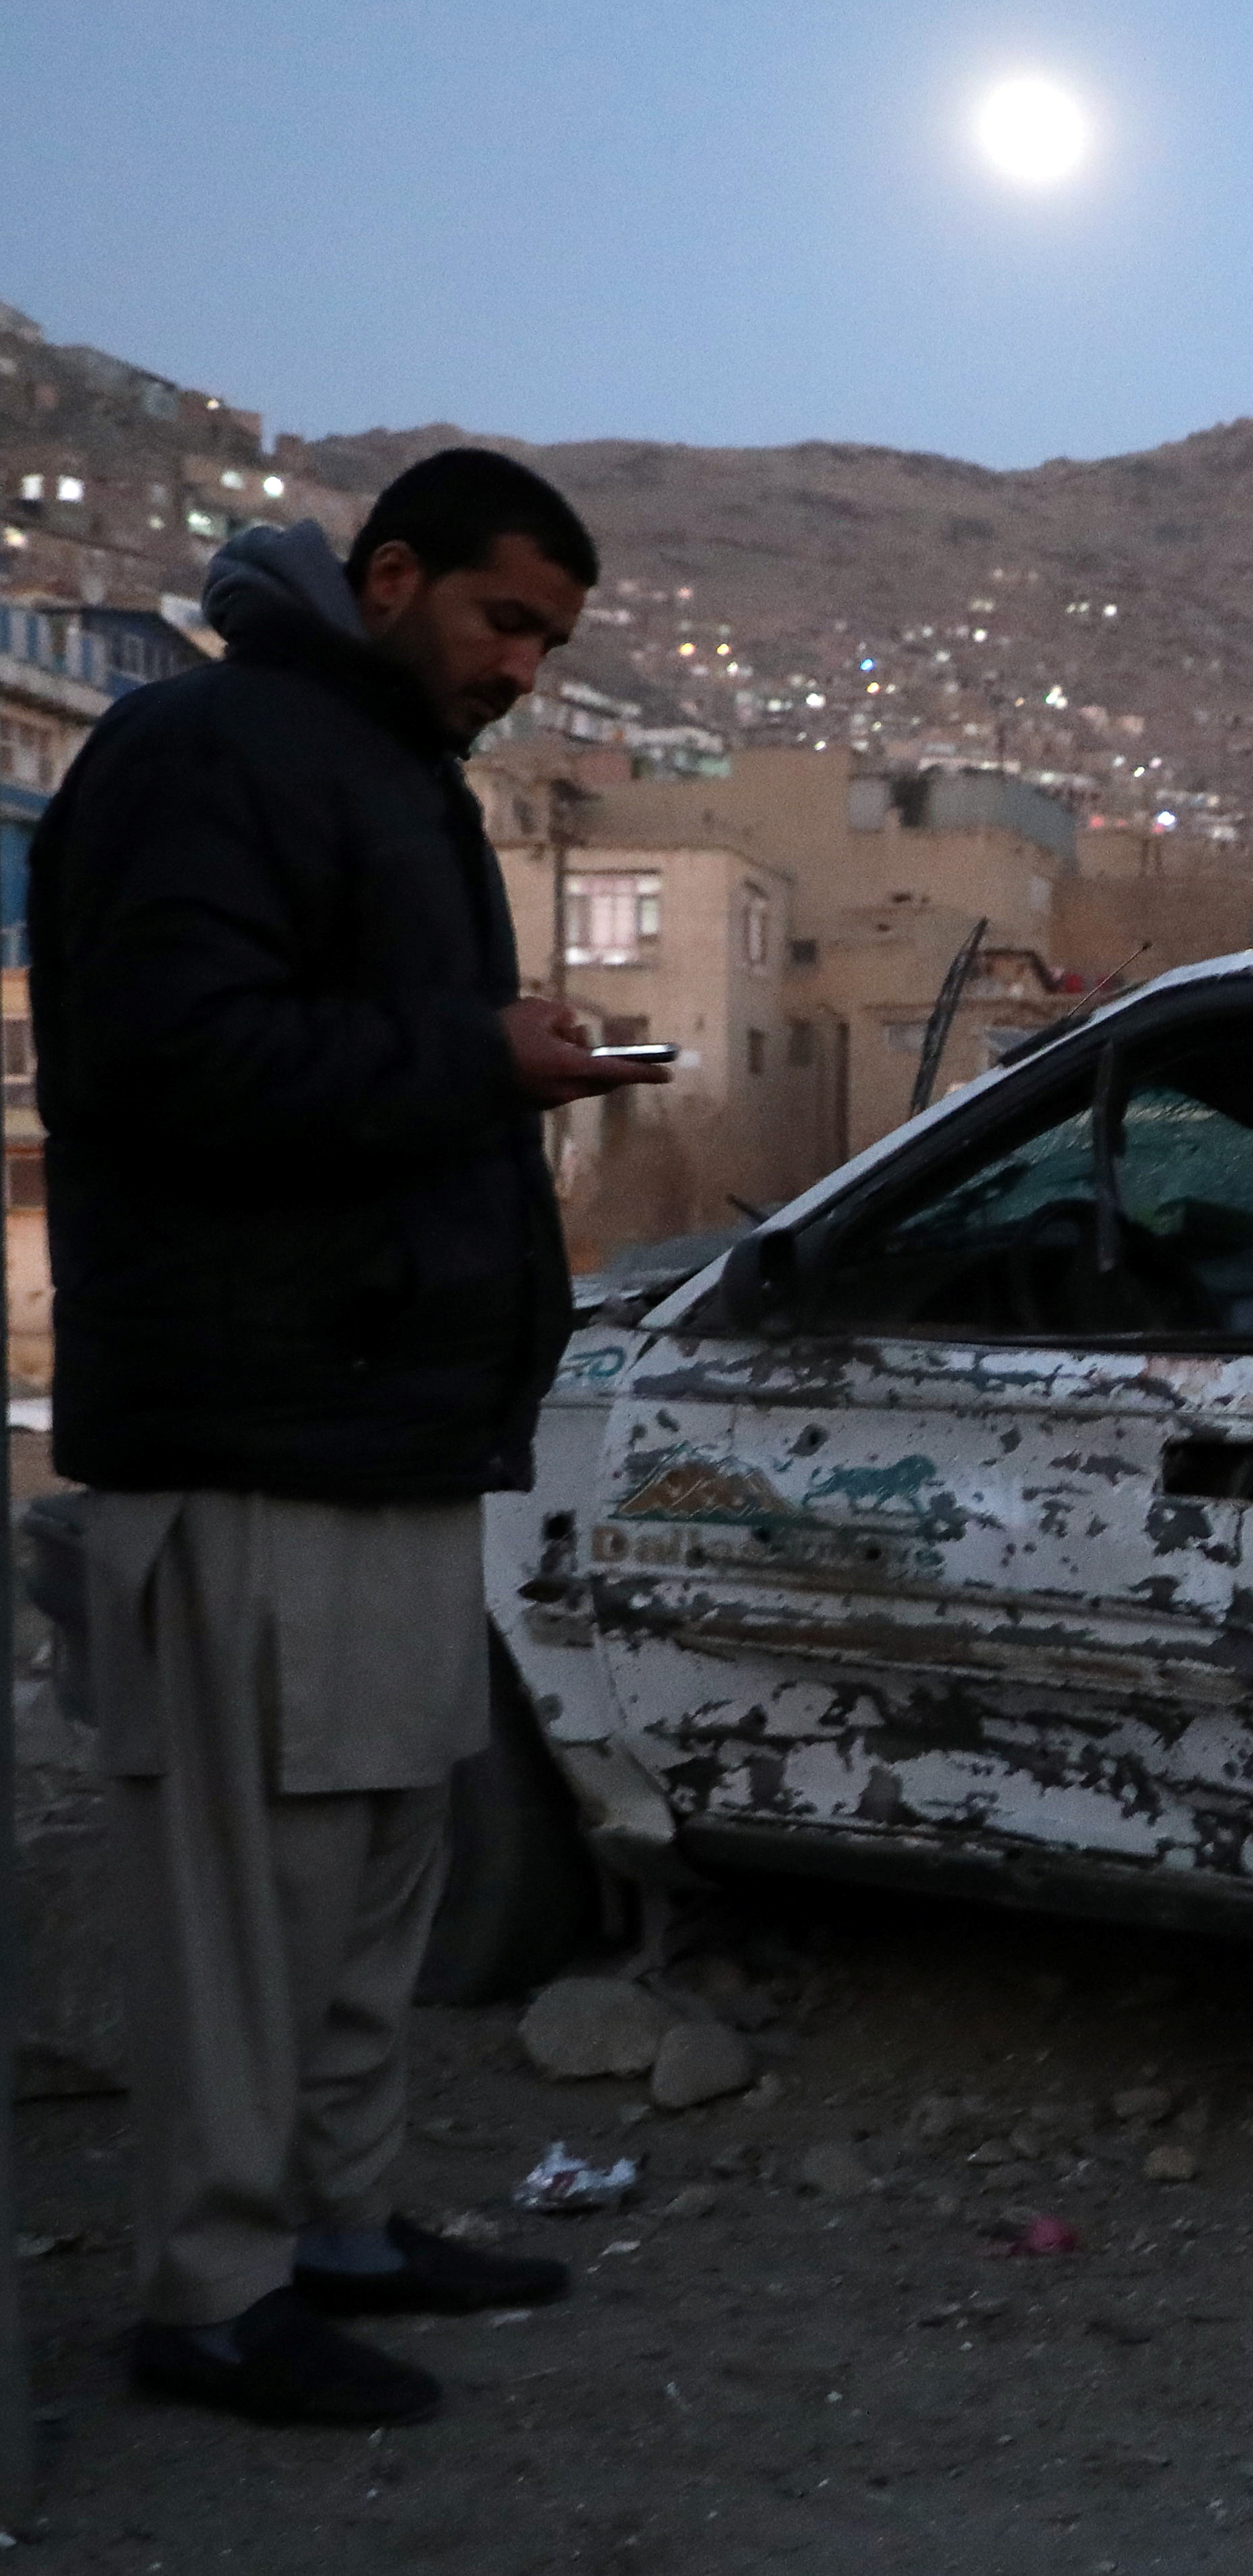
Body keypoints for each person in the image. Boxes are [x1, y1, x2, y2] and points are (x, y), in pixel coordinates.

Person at [27, 447, 669, 2426]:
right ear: (389, 576)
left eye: (551, 643)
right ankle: (215, 2291)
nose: (523, 670)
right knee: (257, 1896)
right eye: (502, 621)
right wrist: (475, 1054)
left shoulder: (386, 772)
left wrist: (488, 1066)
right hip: (253, 1436)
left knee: (379, 1862)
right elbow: (168, 1063)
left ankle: (342, 2228)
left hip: (383, 1430)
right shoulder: (206, 750)